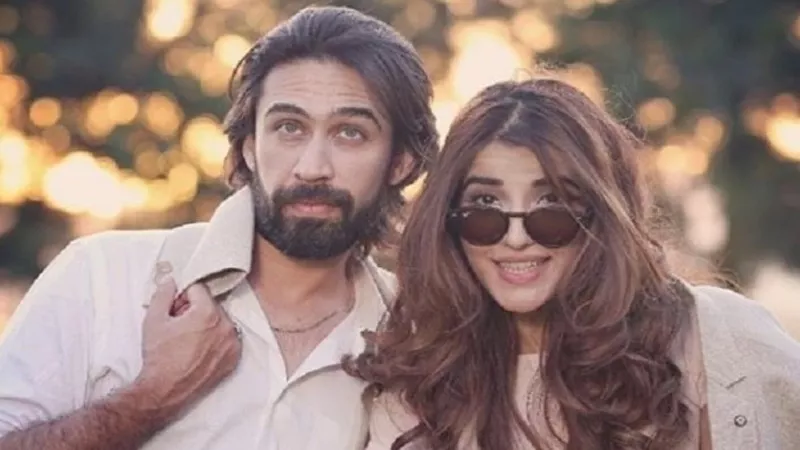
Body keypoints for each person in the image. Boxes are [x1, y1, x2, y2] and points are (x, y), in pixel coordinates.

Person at [0, 6, 438, 450]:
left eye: (350, 133)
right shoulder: (102, 278)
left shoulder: (419, 346)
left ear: (400, 162)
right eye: (289, 127)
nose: (312, 167)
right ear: (248, 147)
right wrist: (150, 398)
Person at [348, 78, 800, 449]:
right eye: (485, 206)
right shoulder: (421, 381)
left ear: (601, 214)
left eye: (552, 205)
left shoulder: (721, 339)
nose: (516, 238)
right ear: (447, 220)